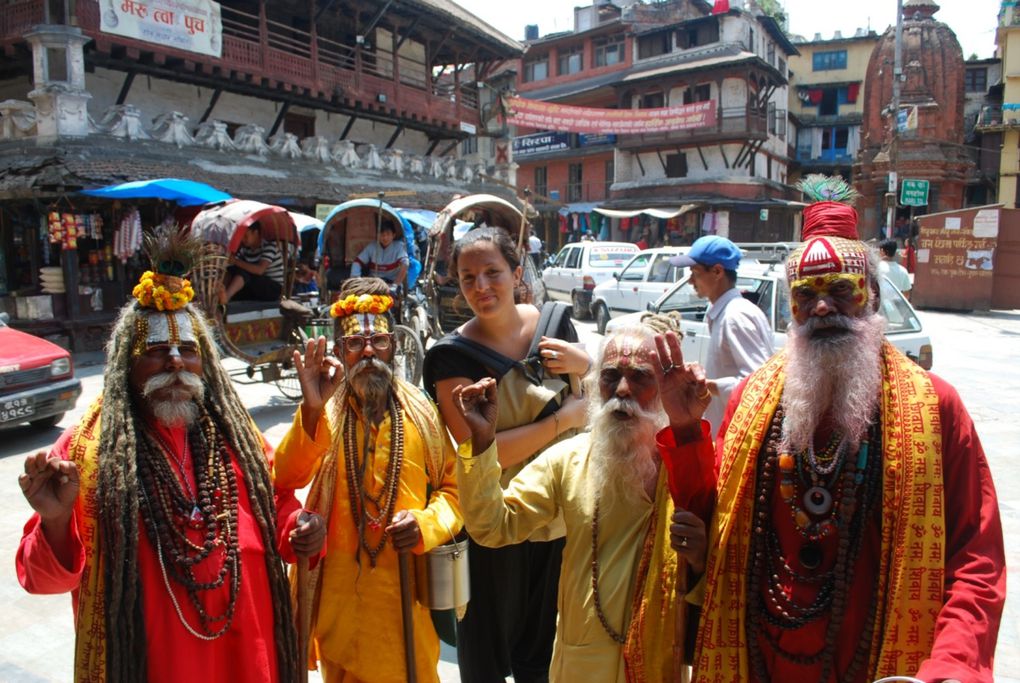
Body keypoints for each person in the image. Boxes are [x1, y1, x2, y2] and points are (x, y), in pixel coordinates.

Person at [676, 175, 1006, 682]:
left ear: (870, 295)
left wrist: (951, 667)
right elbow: (712, 526)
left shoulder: (937, 407)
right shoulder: (752, 400)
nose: (822, 307)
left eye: (840, 290)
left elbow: (976, 561)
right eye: (806, 294)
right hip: (760, 661)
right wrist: (684, 432)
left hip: (881, 667)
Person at [16, 228, 299, 682]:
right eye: (156, 351)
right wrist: (54, 522)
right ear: (127, 367)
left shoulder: (238, 434)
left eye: (188, 350)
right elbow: (43, 580)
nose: (175, 362)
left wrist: (298, 528)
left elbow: (280, 504)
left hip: (249, 656)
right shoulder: (83, 451)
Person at [452, 315, 716, 682]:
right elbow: (492, 528)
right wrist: (482, 442)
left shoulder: (691, 465)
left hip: (658, 667)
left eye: (640, 377)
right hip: (579, 665)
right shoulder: (569, 459)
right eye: (610, 377)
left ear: (664, 388)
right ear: (595, 388)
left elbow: (728, 572)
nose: (622, 390)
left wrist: (701, 559)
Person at [274, 277, 462, 683]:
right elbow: (286, 477)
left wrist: (427, 525)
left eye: (378, 341)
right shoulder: (323, 410)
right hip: (341, 611)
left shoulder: (423, 415)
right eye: (356, 344)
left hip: (407, 605)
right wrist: (309, 409)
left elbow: (454, 492)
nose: (369, 352)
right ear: (341, 350)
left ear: (393, 344)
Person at [422, 226, 589, 682]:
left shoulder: (555, 325)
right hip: (494, 519)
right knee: (486, 653)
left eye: (492, 272)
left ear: (517, 273)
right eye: (467, 277)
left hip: (556, 515)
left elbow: (594, 399)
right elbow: (479, 451)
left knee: (544, 648)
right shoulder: (450, 357)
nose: (481, 287)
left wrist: (585, 364)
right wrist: (561, 422)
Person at [670, 235, 774, 437]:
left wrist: (705, 385)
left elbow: (758, 384)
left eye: (695, 273)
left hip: (737, 439)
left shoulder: (735, 316)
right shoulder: (726, 312)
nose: (691, 280)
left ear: (717, 271)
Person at [221, 221, 285, 303]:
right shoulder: (245, 250)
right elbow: (234, 265)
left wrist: (235, 261)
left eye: (246, 236)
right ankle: (221, 294)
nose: (243, 239)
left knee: (244, 272)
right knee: (231, 269)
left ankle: (226, 297)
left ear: (255, 233)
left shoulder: (270, 246)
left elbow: (260, 270)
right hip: (256, 287)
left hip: (273, 289)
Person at [350, 219, 409, 287]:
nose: (385, 237)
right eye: (382, 234)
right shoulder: (372, 246)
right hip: (373, 283)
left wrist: (395, 284)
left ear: (393, 235)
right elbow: (357, 262)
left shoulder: (399, 246)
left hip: (391, 283)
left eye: (388, 234)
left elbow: (405, 263)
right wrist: (356, 278)